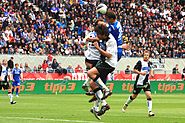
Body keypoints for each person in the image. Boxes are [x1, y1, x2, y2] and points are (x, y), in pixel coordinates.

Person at [87, 24, 118, 119]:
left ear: (103, 34)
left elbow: (109, 55)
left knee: (90, 73)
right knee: (92, 84)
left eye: (98, 34)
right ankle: (104, 104)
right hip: (105, 62)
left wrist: (97, 48)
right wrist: (92, 40)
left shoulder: (111, 41)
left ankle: (106, 89)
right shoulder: (105, 37)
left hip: (109, 64)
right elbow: (98, 39)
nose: (97, 36)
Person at [122, 50, 155, 117]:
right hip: (139, 82)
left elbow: (151, 69)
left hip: (146, 82)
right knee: (134, 96)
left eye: (147, 55)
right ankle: (126, 104)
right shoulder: (140, 62)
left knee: (149, 96)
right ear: (143, 56)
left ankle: (150, 111)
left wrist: (151, 73)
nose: (146, 56)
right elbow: (134, 70)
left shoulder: (150, 63)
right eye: (145, 55)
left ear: (149, 56)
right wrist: (140, 73)